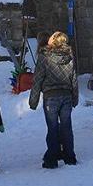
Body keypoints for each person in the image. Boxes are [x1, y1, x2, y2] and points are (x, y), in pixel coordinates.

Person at [29, 31, 80, 168]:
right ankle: (70, 156)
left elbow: (38, 79)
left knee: (52, 128)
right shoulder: (69, 56)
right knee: (66, 127)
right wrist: (75, 97)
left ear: (53, 41)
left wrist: (33, 100)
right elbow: (73, 78)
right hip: (66, 95)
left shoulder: (44, 56)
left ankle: (52, 158)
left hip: (51, 96)